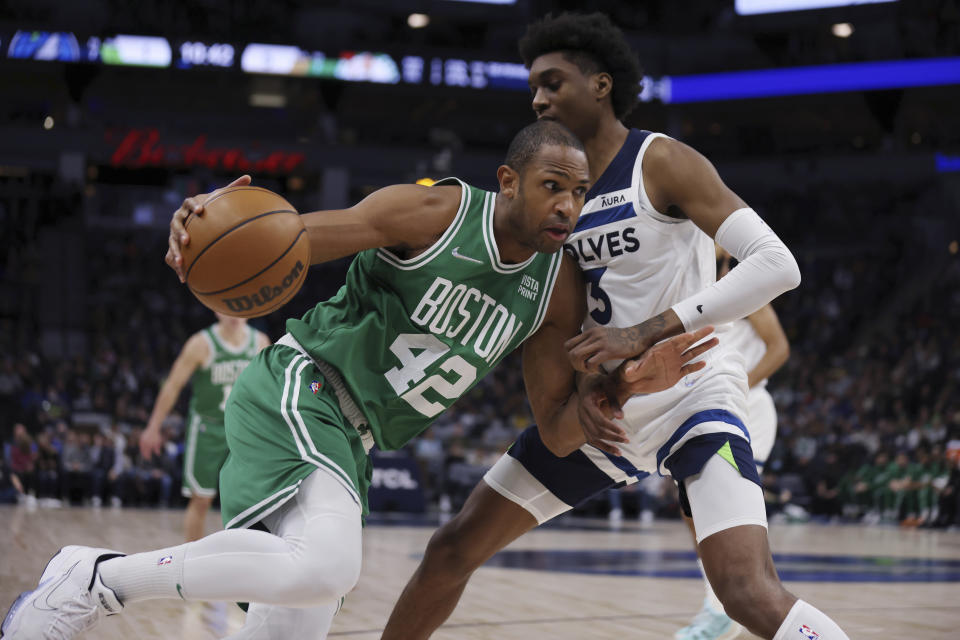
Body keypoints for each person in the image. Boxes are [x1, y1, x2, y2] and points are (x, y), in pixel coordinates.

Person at [2, 120, 715, 640]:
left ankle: (92, 582)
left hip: (354, 438)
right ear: (510, 182)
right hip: (303, 389)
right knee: (331, 565)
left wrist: (624, 387)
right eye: (552, 186)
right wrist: (208, 220)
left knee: (298, 610)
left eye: (580, 192)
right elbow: (292, 238)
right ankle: (97, 578)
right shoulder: (434, 213)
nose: (566, 204)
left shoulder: (555, 292)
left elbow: (558, 433)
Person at [381, 13, 850, 640]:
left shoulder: (662, 162)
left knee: (745, 593)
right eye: (534, 87)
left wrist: (644, 333)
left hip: (691, 393)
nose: (539, 97)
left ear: (600, 85)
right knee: (452, 547)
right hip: (606, 406)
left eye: (553, 81)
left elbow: (777, 264)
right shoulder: (554, 196)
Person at [674, 248, 790, 640]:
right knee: (694, 510)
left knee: (718, 506)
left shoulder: (742, 289)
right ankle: (723, 603)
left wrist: (740, 385)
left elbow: (779, 348)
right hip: (710, 408)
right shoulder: (691, 291)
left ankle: (729, 609)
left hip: (746, 408)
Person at [140, 313, 270, 540]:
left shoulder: (260, 342)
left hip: (243, 429)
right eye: (227, 306)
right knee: (201, 501)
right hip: (207, 429)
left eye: (238, 305)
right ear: (215, 306)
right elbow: (172, 386)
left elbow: (268, 389)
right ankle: (191, 562)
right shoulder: (200, 343)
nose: (233, 314)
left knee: (253, 502)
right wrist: (153, 427)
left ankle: (249, 560)